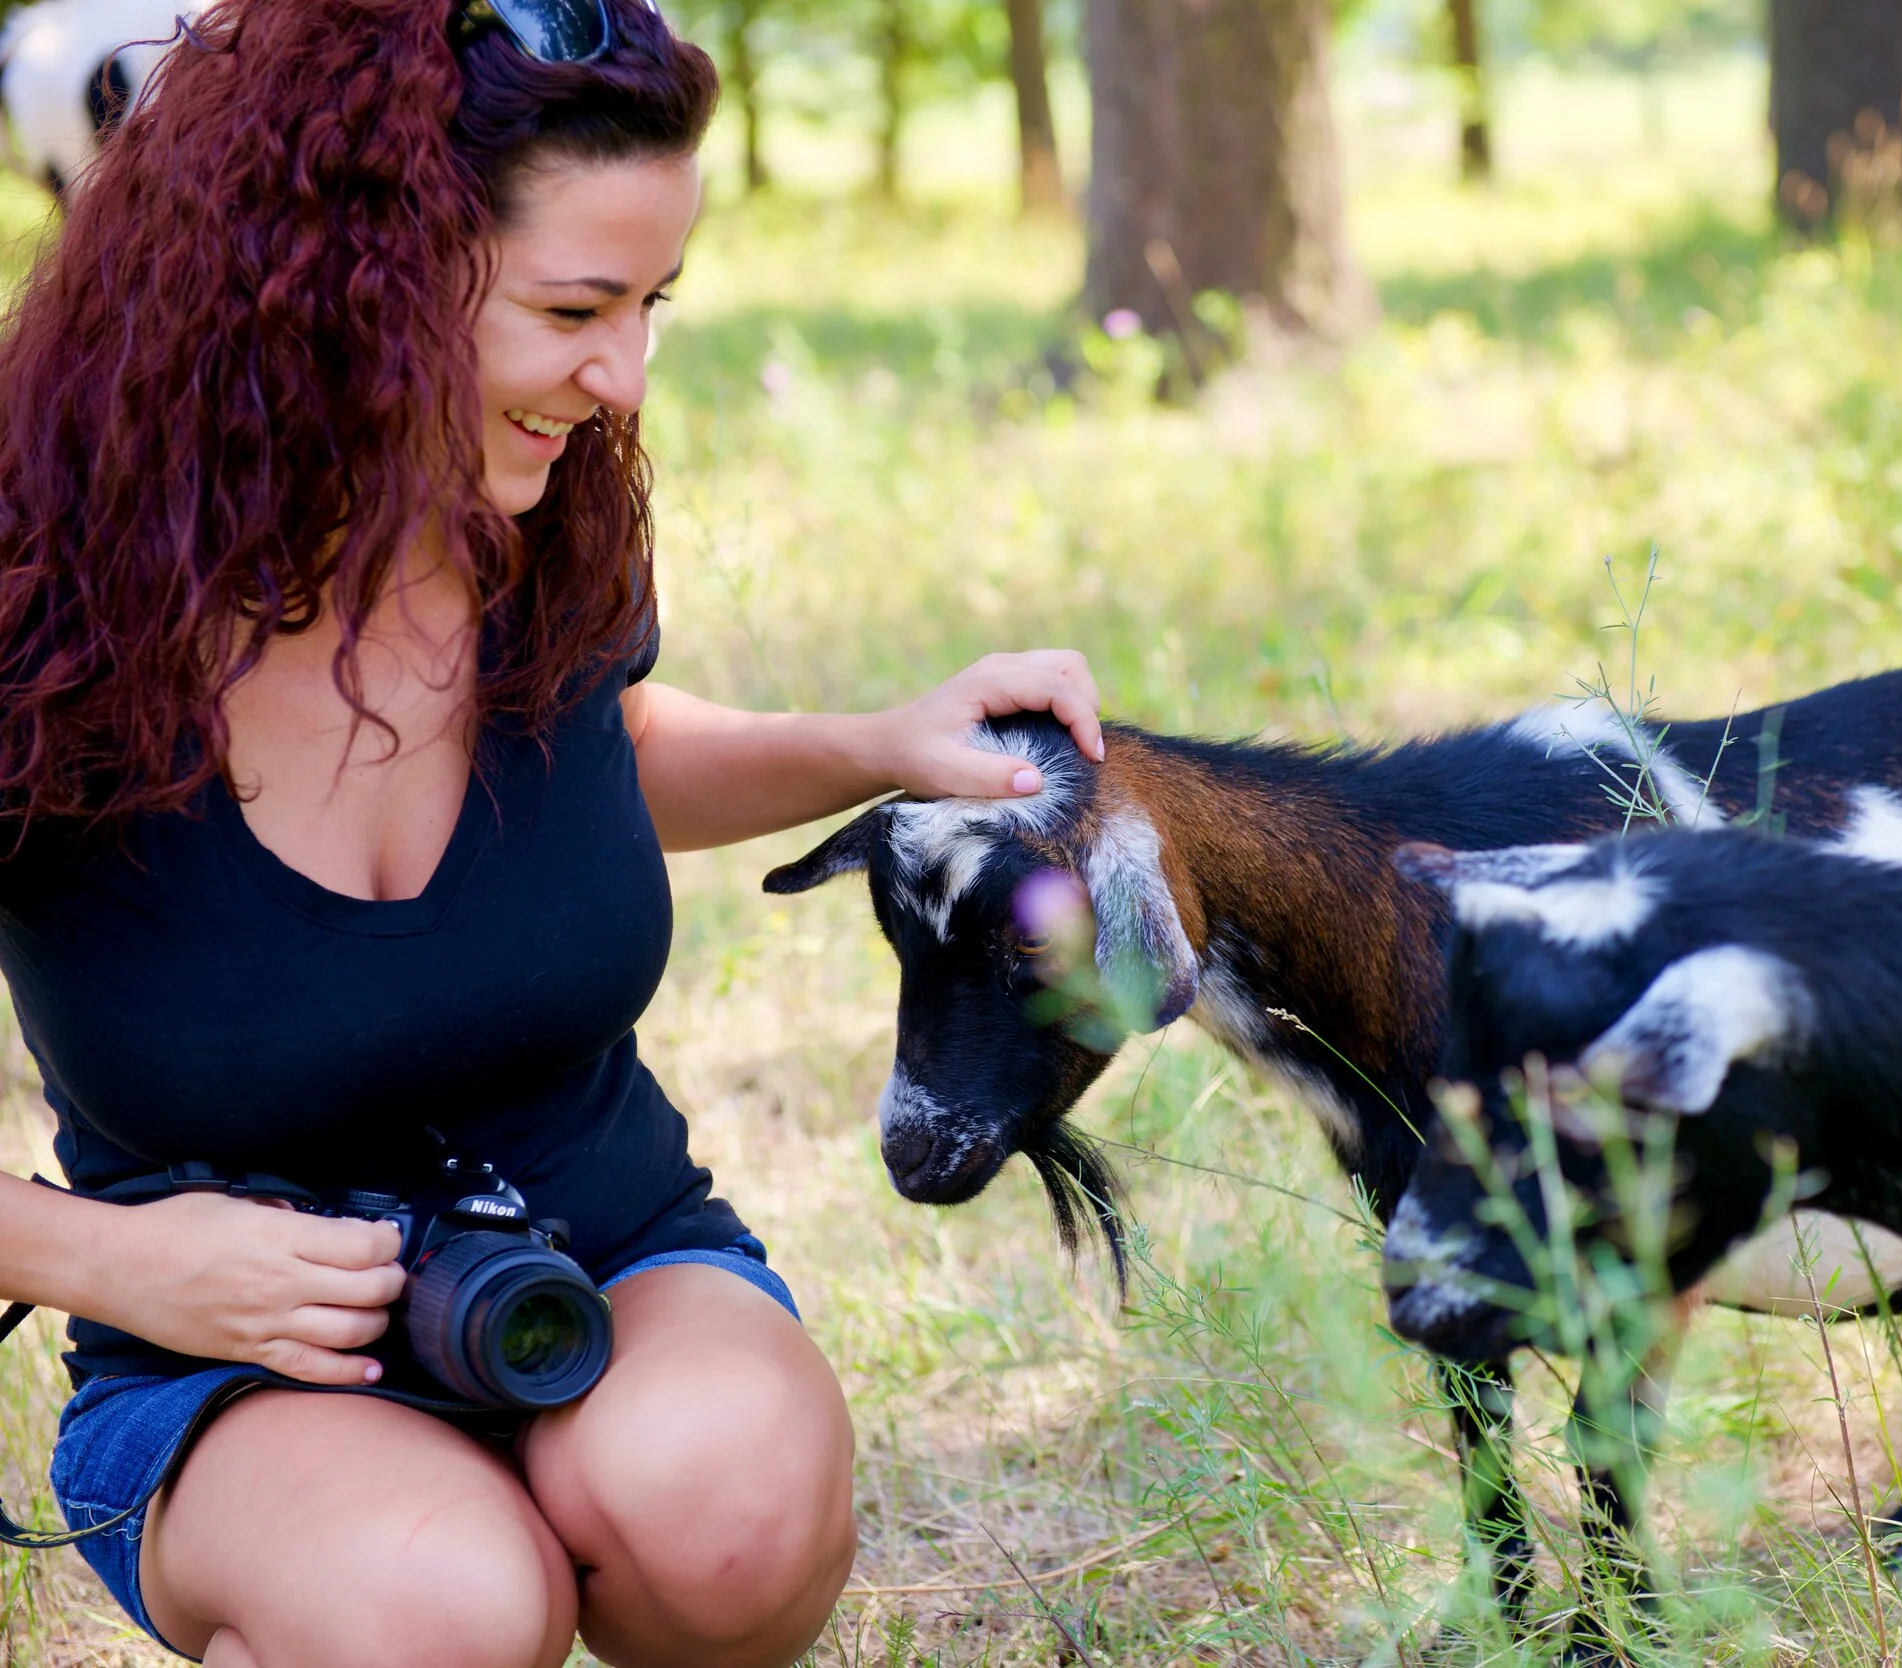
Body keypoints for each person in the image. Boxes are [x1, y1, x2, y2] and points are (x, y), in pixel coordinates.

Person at [0, 2, 1103, 1664]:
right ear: (342, 274)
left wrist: (876, 745)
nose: (623, 380)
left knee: (725, 1514)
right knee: (439, 1605)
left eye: (652, 306)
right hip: (225, 1350)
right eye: (575, 309)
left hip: (593, 1251)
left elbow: (596, 757)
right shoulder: (44, 585)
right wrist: (111, 1261)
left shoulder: (535, 503)